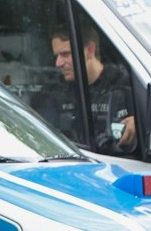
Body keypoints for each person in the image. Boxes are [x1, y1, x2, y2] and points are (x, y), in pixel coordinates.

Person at [51, 25, 136, 155]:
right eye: (57, 56)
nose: (58, 63)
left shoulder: (127, 83)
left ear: (90, 50)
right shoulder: (57, 90)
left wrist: (137, 124)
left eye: (66, 54)